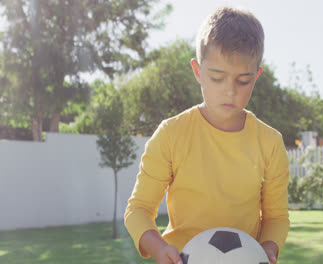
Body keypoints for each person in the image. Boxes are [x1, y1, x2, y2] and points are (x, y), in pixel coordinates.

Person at [124, 6, 290, 264]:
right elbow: (138, 210)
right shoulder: (171, 135)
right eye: (217, 77)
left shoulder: (269, 142)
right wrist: (158, 248)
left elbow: (276, 217)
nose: (229, 91)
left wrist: (268, 249)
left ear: (256, 76)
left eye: (243, 80)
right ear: (198, 71)